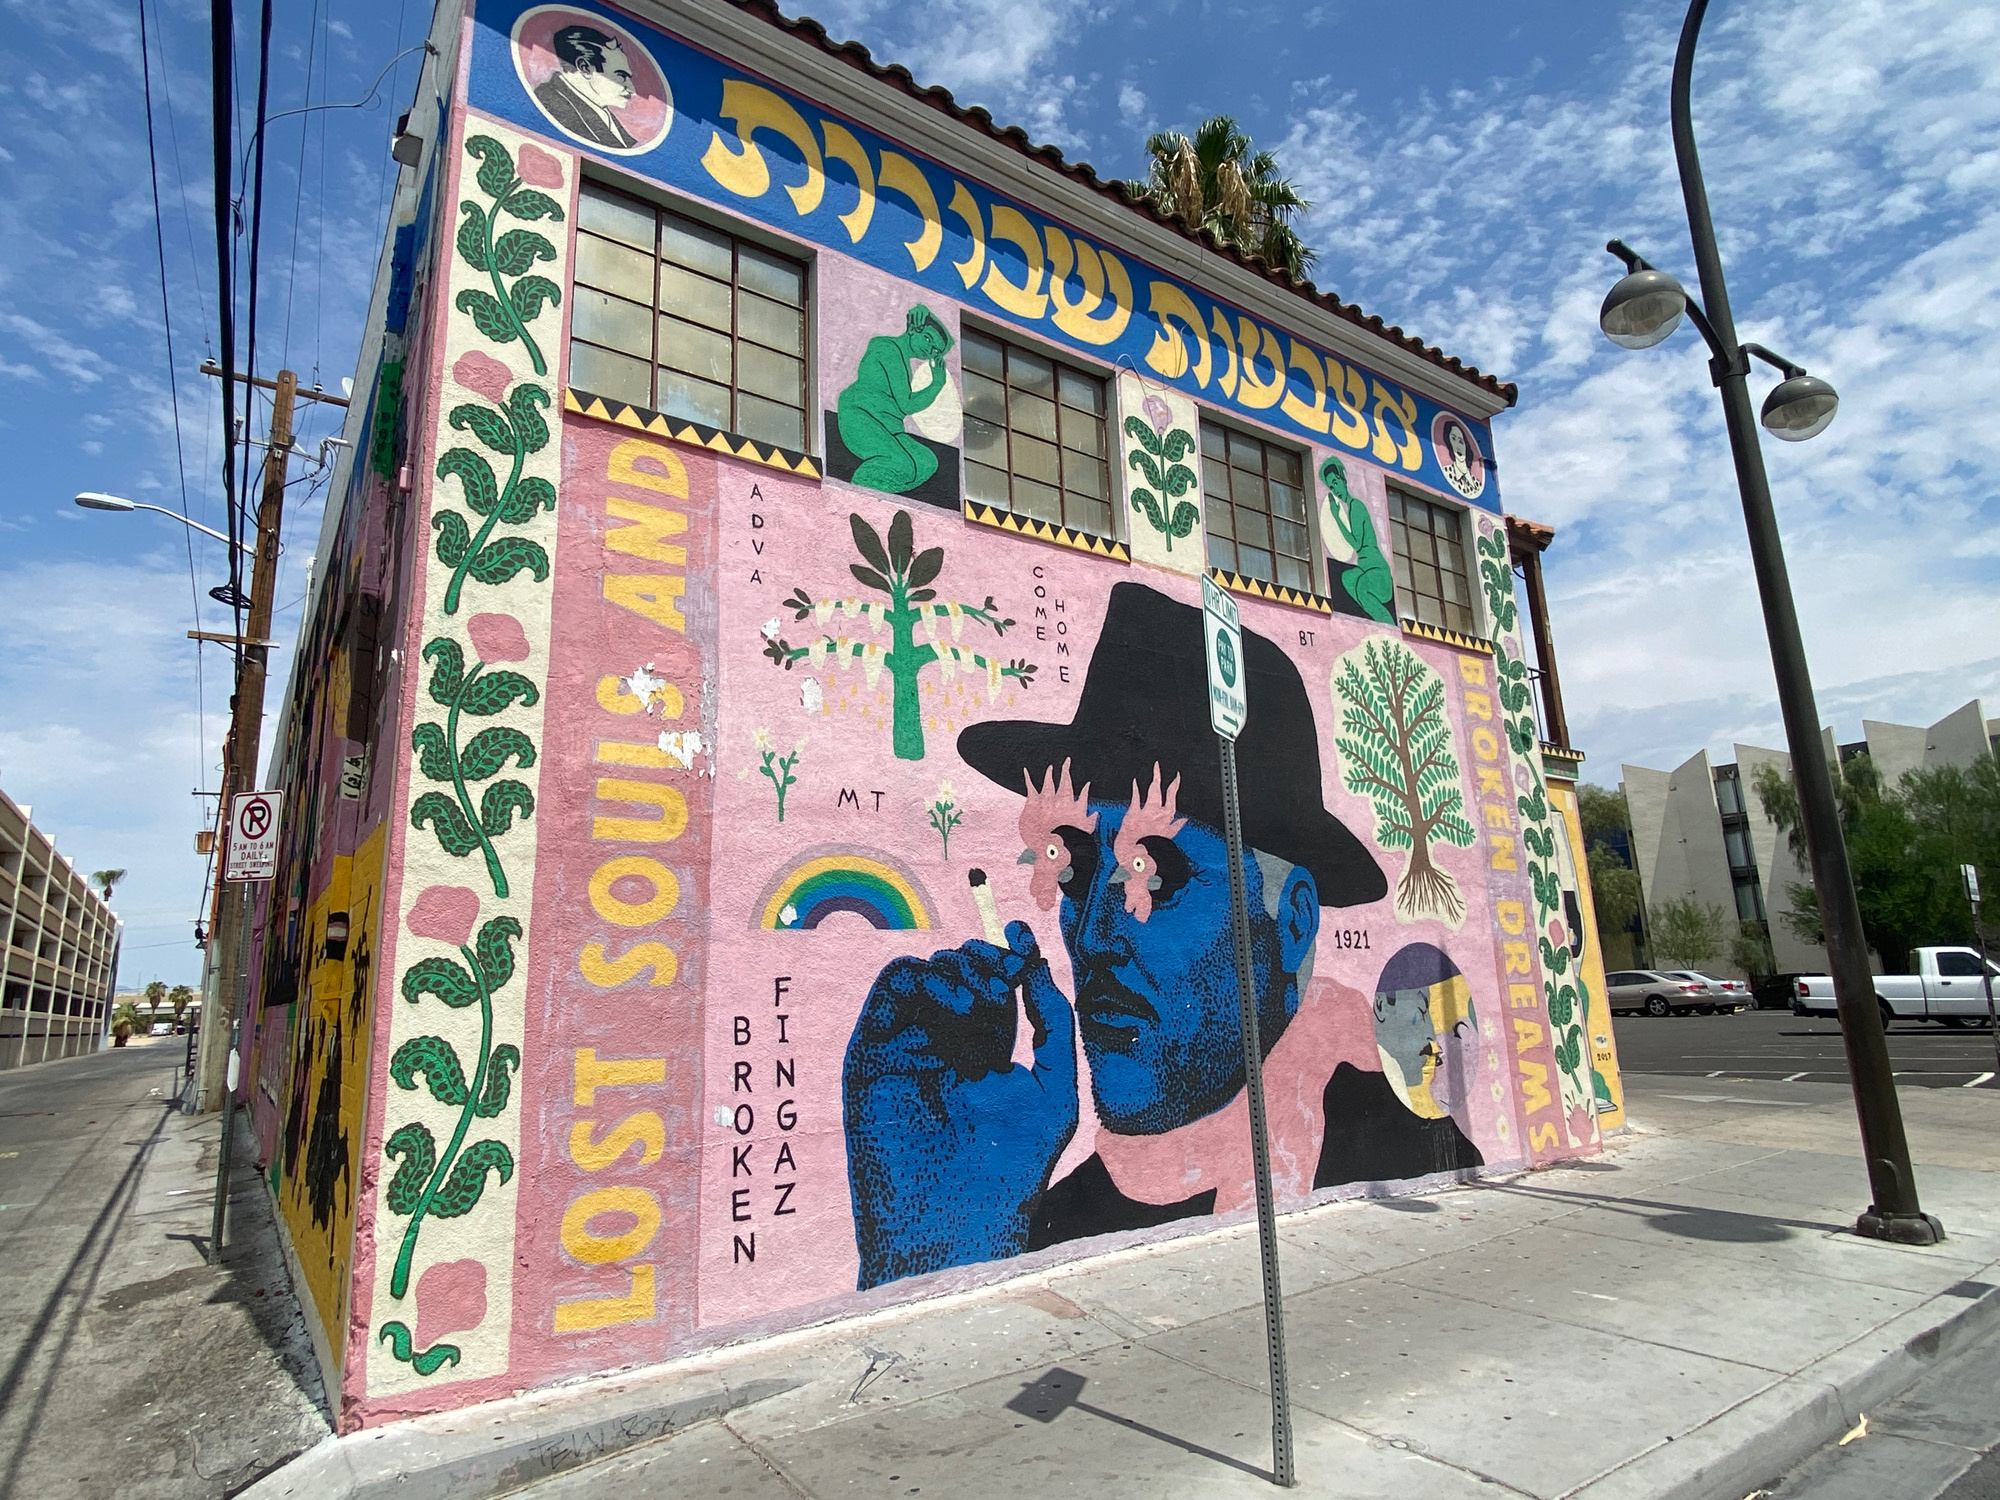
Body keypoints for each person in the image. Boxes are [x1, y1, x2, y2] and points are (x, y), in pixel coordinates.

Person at [841, 582, 1483, 1289]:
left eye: (1155, 873)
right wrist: (940, 1243)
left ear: (1293, 923)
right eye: (1077, 872)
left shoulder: (1396, 1152)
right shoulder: (1053, 1215)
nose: (1093, 937)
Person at [835, 306, 955, 494]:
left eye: (935, 350)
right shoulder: (888, 349)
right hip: (861, 417)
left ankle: (881, 493)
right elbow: (907, 404)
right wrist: (937, 384)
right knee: (901, 464)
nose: (929, 350)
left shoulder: (902, 359)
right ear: (914, 329)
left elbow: (904, 403)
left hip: (890, 427)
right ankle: (856, 492)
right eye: (928, 338)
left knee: (927, 462)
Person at [534, 24, 640, 150]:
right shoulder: (550, 101)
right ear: (585, 68)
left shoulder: (605, 116)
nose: (633, 91)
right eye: (621, 76)